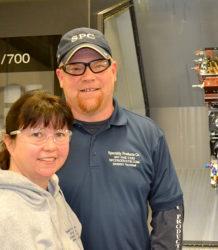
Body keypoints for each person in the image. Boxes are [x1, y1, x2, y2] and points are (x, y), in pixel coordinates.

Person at [56, 27, 184, 250]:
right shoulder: (44, 138)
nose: (88, 76)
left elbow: (169, 210)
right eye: (75, 68)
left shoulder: (148, 134)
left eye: (98, 65)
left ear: (113, 71)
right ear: (61, 77)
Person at [0, 90, 83, 249]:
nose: (51, 146)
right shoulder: (4, 211)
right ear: (10, 143)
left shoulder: (53, 193)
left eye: (59, 134)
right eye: (37, 134)